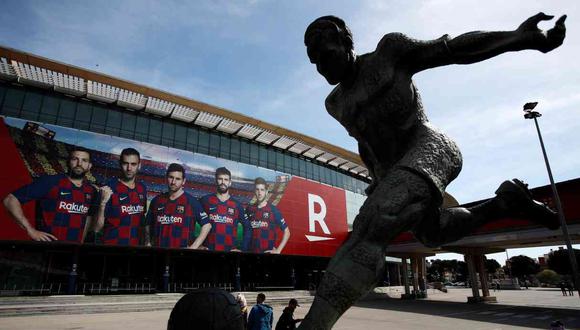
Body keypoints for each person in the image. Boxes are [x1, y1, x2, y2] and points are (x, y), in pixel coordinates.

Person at [302, 13, 566, 328]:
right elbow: (367, 141)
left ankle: (314, 324)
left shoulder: (390, 52)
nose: (322, 67)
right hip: (399, 169)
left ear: (346, 43)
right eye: (315, 61)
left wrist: (519, 37)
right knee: (433, 233)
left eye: (326, 55)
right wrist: (378, 178)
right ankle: (506, 203)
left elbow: (453, 49)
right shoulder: (336, 103)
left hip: (433, 149)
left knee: (371, 225)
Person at [2, 147, 97, 242]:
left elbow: (88, 219)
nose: (79, 164)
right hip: (47, 248)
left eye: (84, 160)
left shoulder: (91, 190)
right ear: (68, 162)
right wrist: (30, 230)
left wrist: (81, 242)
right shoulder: (50, 181)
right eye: (74, 159)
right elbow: (10, 200)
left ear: (89, 166)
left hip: (73, 250)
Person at [145, 163, 210, 248]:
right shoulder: (156, 200)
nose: (173, 182)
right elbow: (148, 224)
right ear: (166, 178)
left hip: (182, 255)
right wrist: (148, 242)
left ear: (183, 181)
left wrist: (194, 247)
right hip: (158, 252)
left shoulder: (192, 202)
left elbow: (207, 225)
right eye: (171, 177)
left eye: (178, 179)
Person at [94, 148, 147, 246]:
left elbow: (141, 220)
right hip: (112, 248)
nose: (129, 168)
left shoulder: (142, 189)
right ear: (120, 164)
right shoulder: (109, 188)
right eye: (125, 163)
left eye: (133, 164)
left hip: (135, 249)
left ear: (139, 165)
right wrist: (102, 204)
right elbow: (96, 228)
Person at [200, 167, 251, 252]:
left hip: (229, 253)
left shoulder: (237, 205)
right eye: (220, 179)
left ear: (230, 182)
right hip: (208, 250)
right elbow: (190, 221)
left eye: (226, 180)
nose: (223, 182)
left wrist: (242, 249)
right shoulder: (205, 200)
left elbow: (248, 227)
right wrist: (196, 245)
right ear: (216, 180)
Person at [246, 177, 290, 254]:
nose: (259, 193)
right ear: (254, 191)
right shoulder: (249, 209)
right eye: (257, 189)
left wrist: (278, 250)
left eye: (262, 190)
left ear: (266, 192)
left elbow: (287, 232)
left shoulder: (273, 210)